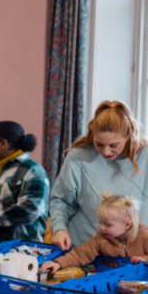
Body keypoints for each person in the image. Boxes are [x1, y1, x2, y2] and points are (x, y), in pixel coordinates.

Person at [50, 101, 148, 250]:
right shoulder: (78, 157)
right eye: (99, 144)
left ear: (128, 135)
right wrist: (59, 228)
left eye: (114, 145)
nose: (106, 152)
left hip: (137, 255)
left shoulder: (144, 156)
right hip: (88, 251)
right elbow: (61, 200)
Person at [41, 193, 148, 274]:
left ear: (127, 225)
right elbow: (81, 253)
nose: (102, 228)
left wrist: (145, 259)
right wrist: (58, 263)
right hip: (113, 280)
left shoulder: (144, 236)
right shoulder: (101, 239)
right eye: (100, 222)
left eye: (108, 225)